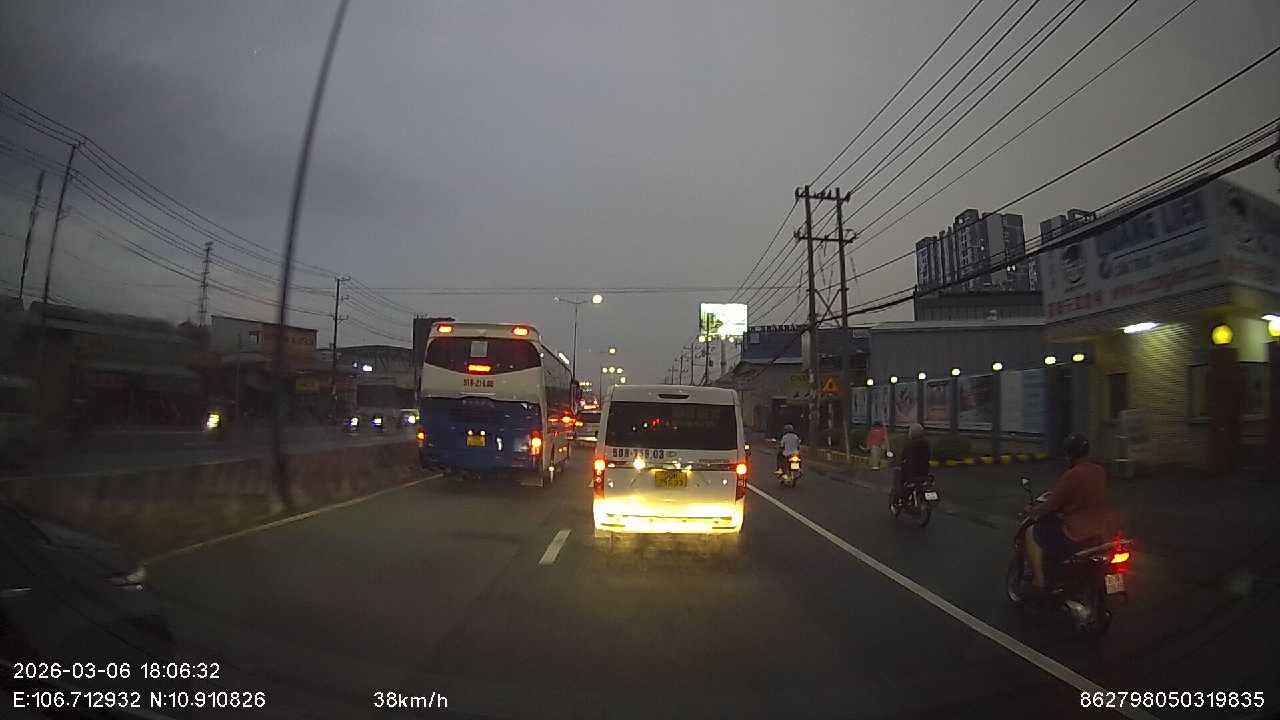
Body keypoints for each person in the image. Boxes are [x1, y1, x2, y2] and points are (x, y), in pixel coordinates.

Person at [1025, 433, 1108, 592]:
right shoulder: (1100, 471)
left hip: (1074, 533)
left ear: (1070, 455)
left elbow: (1052, 504)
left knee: (1032, 532)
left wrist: (1034, 510)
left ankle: (1039, 581)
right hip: (1098, 531)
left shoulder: (1072, 474)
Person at [893, 423, 931, 504]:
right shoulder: (926, 443)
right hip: (924, 472)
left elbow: (904, 457)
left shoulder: (910, 445)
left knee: (900, 478)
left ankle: (903, 497)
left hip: (912, 473)